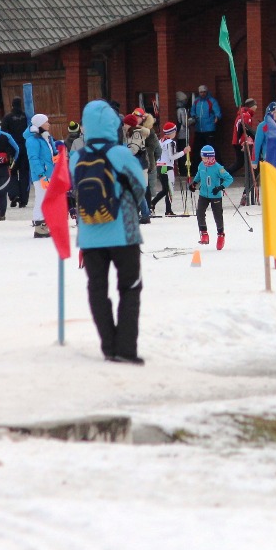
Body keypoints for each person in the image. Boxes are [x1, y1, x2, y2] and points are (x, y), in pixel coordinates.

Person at [76, 100, 148, 365]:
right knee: (129, 287)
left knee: (97, 288)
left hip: (89, 234)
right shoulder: (120, 154)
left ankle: (108, 347)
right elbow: (139, 186)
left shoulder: (77, 157)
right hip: (123, 233)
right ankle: (125, 349)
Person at [191, 144, 232, 249]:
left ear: (210, 157)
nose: (203, 159)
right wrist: (194, 183)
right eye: (202, 157)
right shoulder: (201, 165)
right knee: (200, 212)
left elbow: (229, 179)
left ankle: (221, 235)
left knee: (217, 215)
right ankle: (204, 233)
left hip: (215, 195)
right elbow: (199, 175)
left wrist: (220, 187)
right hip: (203, 194)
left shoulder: (218, 168)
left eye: (205, 157)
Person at [25, 113, 56, 238]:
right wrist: (41, 174)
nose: (48, 124)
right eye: (46, 122)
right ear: (39, 124)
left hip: (48, 173)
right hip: (41, 175)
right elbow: (33, 159)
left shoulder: (46, 137)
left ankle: (45, 223)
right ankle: (39, 225)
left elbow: (51, 154)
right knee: (41, 199)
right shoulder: (32, 140)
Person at [149, 121, 185, 216]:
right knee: (169, 188)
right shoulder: (171, 142)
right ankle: (158, 206)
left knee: (166, 188)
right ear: (172, 132)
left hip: (160, 166)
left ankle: (165, 208)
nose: (175, 133)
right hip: (167, 167)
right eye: (175, 131)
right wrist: (184, 152)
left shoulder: (161, 141)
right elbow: (172, 156)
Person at [2, 97, 30, 207]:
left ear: (12, 105)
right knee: (24, 174)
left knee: (12, 173)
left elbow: (4, 133)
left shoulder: (7, 117)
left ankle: (14, 195)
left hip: (12, 149)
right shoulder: (26, 117)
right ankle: (23, 200)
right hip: (25, 148)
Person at [191, 85, 222, 170]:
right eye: (201, 92)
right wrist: (193, 116)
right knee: (197, 149)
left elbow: (217, 111)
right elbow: (192, 111)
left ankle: (218, 167)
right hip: (199, 129)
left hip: (209, 129)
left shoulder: (212, 101)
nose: (203, 94)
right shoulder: (196, 101)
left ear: (207, 92)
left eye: (204, 92)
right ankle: (196, 168)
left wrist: (217, 117)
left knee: (212, 148)